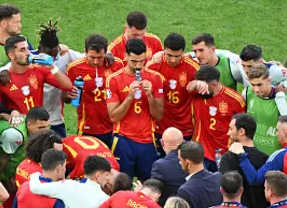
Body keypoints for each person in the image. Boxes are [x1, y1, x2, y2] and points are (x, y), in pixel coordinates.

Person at [106, 39, 164, 180]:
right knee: (122, 184)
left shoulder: (155, 79)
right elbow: (113, 117)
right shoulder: (114, 80)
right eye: (134, 61)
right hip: (123, 140)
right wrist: (129, 97)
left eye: (141, 61)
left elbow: (158, 116)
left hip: (147, 141)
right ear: (125, 56)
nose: (138, 65)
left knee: (149, 184)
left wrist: (150, 95)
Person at [66, 34, 124, 147]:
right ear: (85, 52)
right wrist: (69, 95)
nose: (96, 61)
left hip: (115, 127)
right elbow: (65, 98)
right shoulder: (74, 68)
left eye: (100, 57)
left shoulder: (117, 65)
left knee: (113, 163)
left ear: (106, 52)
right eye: (92, 57)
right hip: (87, 127)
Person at [0, 35, 73, 117]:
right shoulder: (3, 79)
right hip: (18, 127)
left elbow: (68, 86)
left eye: (27, 48)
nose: (28, 53)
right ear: (11, 56)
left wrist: (53, 68)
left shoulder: (38, 70)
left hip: (39, 125)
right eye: (22, 50)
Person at [146, 33, 200, 146]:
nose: (173, 60)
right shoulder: (152, 67)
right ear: (163, 50)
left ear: (183, 52)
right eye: (169, 55)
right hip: (159, 125)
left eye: (177, 56)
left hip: (185, 125)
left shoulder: (193, 68)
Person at [188, 65, 246, 171]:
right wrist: (196, 83)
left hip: (223, 153)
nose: (200, 89)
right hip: (201, 151)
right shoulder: (198, 93)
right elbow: (189, 87)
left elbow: (241, 130)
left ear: (213, 85)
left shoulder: (235, 100)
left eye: (203, 86)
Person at [37, 20, 85, 138]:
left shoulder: (65, 55)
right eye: (49, 54)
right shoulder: (31, 59)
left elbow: (88, 58)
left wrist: (107, 55)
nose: (52, 58)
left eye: (55, 53)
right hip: (34, 120)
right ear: (39, 48)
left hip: (55, 119)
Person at [219, 114, 268, 208]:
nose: (228, 133)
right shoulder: (265, 158)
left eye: (231, 129)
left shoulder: (228, 158)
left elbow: (222, 187)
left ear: (241, 131)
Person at [243, 64, 287, 156]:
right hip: (252, 153)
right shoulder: (247, 93)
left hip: (273, 155)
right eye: (253, 84)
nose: (256, 89)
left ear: (269, 80)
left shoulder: (283, 99)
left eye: (259, 85)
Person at [177, 141, 222, 208]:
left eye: (180, 160)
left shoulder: (185, 190)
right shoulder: (218, 177)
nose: (179, 163)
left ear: (188, 162)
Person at [151, 127, 187, 206]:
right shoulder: (195, 162)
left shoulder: (159, 166)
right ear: (183, 142)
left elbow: (154, 194)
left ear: (162, 143)